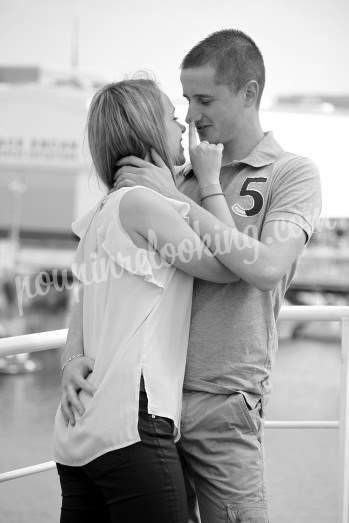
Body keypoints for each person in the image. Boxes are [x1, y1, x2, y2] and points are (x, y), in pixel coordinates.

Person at [61, 29, 322, 523]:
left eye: (205, 99)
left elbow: (266, 268)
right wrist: (72, 354)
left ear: (249, 92)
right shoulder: (167, 171)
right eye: (185, 100)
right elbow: (96, 273)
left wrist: (190, 195)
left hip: (223, 401)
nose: (191, 116)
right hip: (148, 411)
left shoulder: (291, 174)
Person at [53, 78, 239, 523]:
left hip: (81, 437)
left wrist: (68, 360)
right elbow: (230, 264)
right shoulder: (144, 205)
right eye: (173, 118)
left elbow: (84, 300)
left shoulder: (100, 212)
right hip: (133, 429)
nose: (182, 129)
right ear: (148, 128)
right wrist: (205, 184)